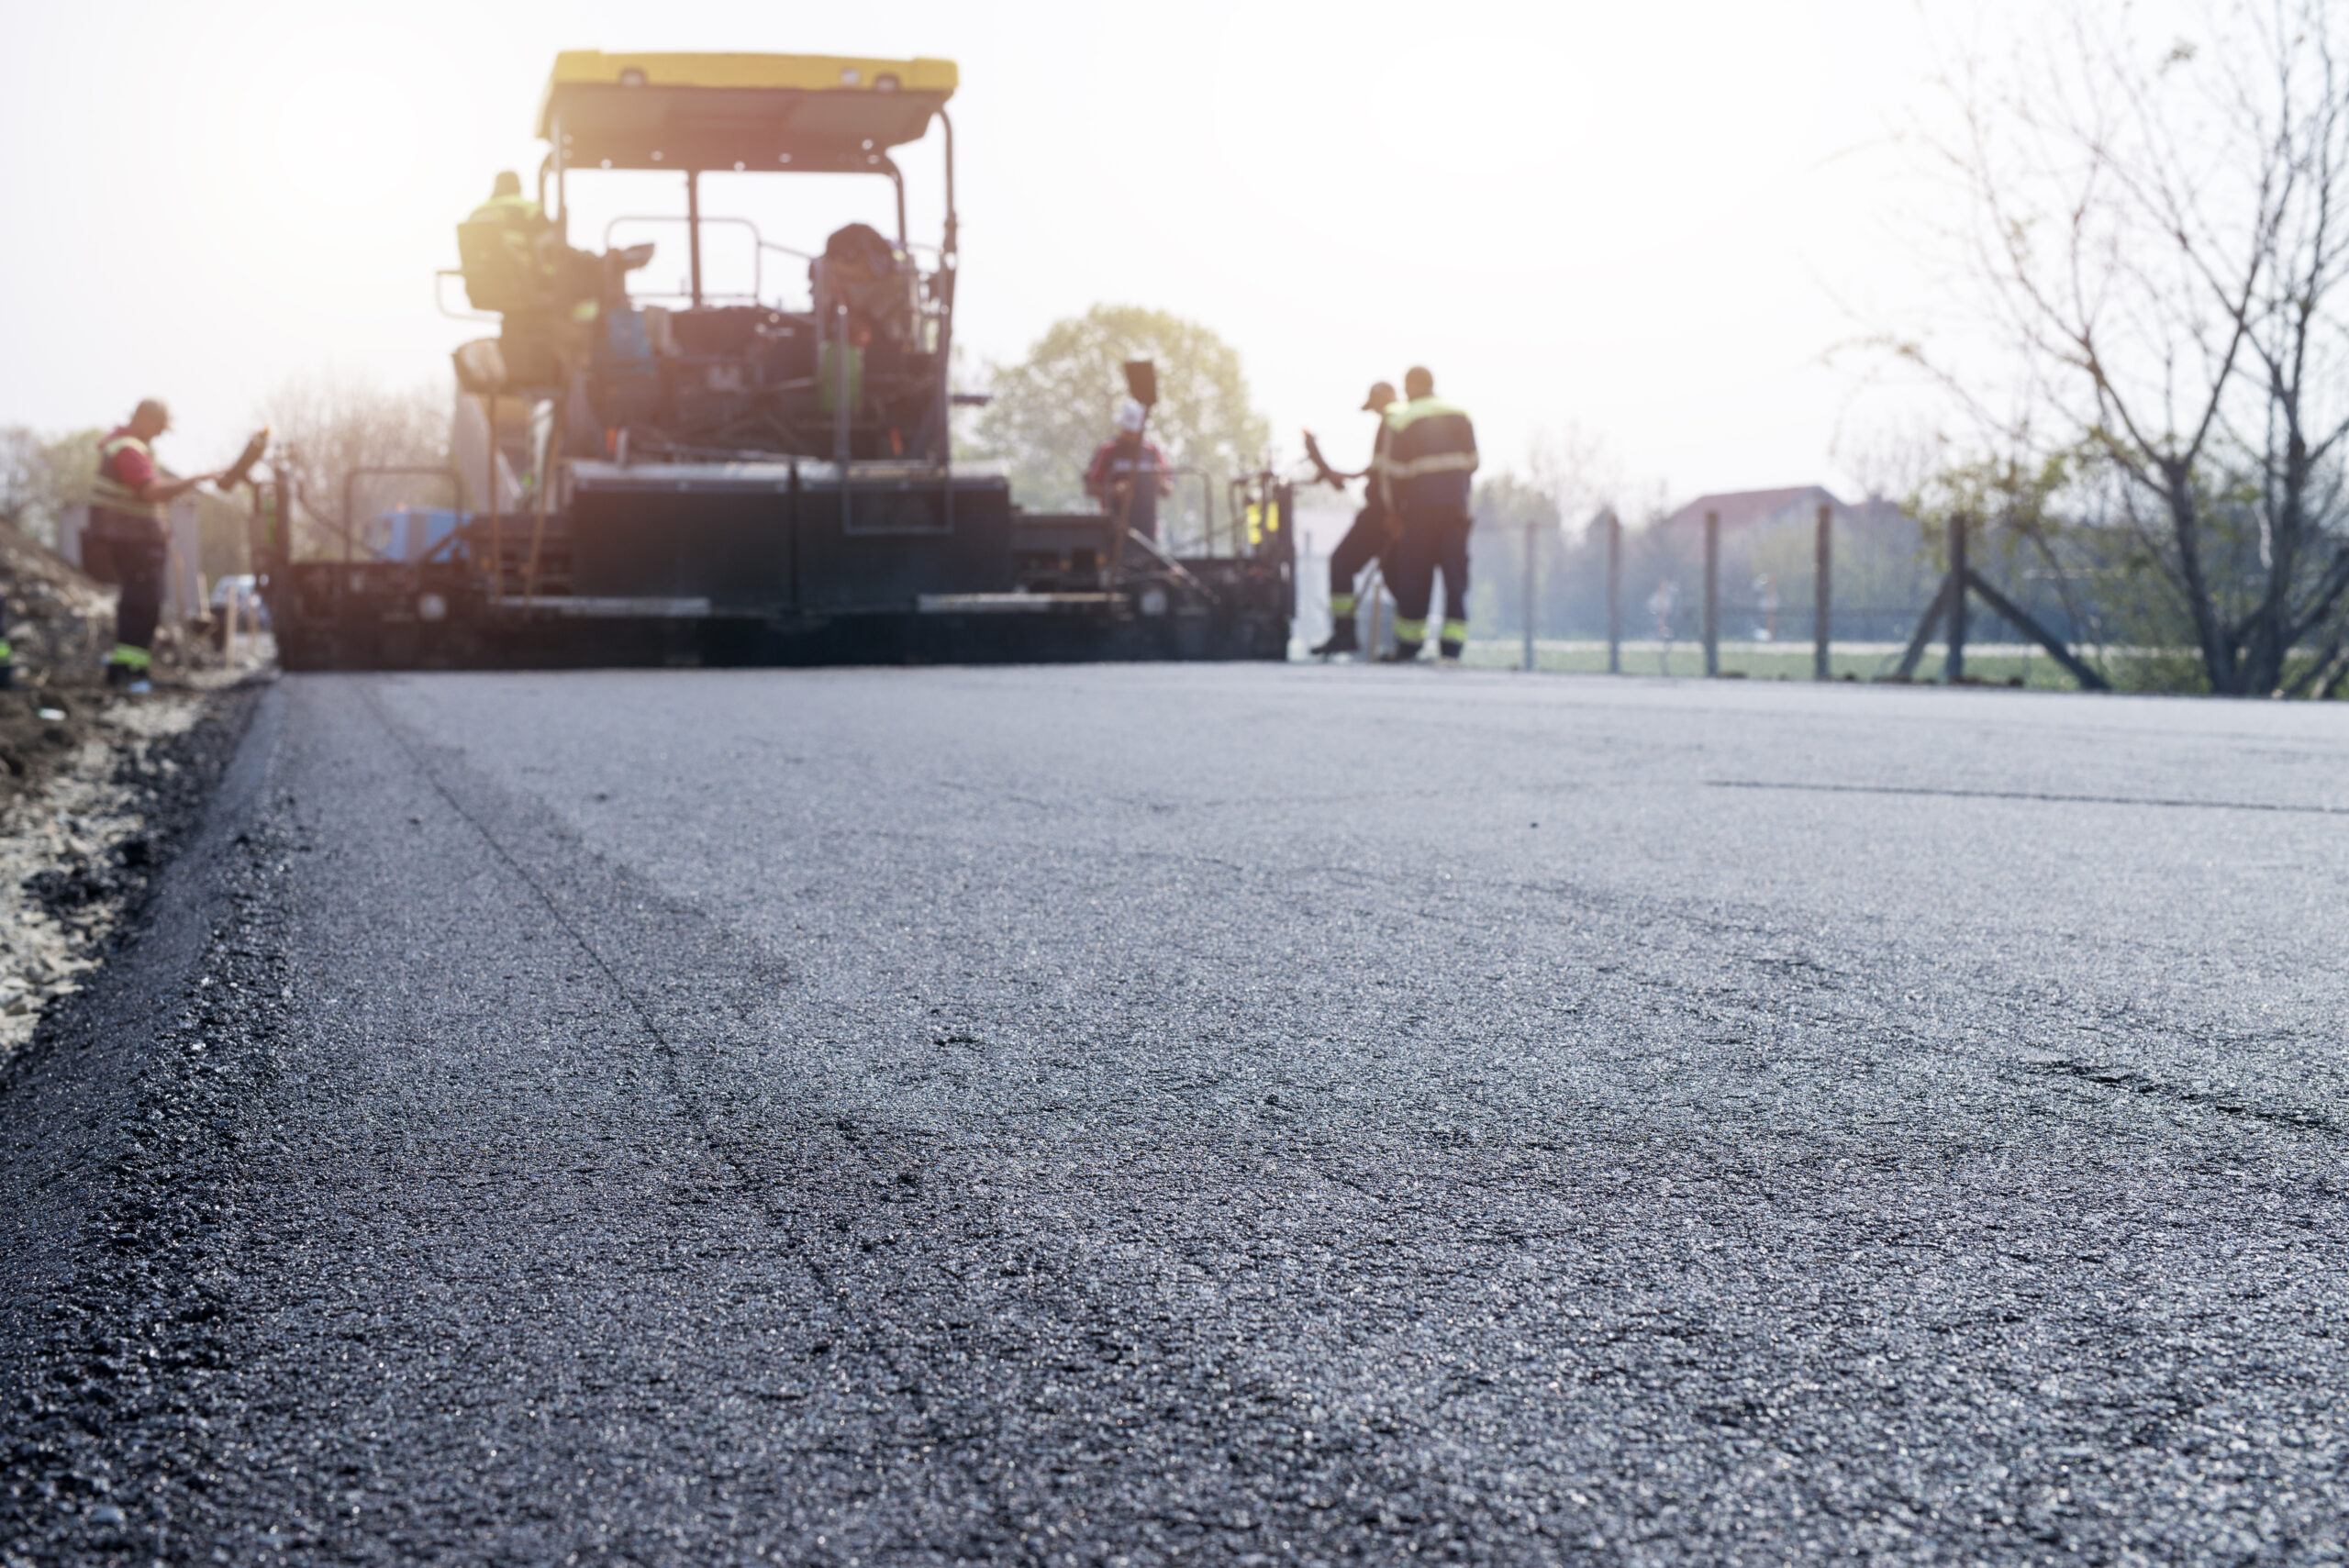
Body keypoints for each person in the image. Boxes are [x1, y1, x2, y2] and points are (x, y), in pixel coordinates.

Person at [84, 400, 218, 691]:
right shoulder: (129, 449)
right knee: (142, 605)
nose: (159, 434)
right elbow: (150, 492)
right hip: (135, 544)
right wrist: (194, 480)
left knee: (138, 603)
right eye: (159, 427)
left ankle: (127, 669)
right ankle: (131, 673)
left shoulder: (121, 445)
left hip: (133, 542)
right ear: (144, 419)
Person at [1376, 366, 1478, 662]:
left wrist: (1393, 512)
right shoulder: (1460, 414)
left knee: (1414, 580)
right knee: (1455, 580)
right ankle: (1452, 648)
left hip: (1419, 514)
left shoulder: (1401, 419)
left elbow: (1392, 474)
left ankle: (1409, 646)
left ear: (1409, 386)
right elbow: (1473, 462)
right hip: (1456, 511)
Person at [1308, 381, 1399, 658]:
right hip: (1388, 511)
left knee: (1342, 562)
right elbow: (1377, 469)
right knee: (1396, 575)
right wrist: (1345, 476)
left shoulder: (1393, 423)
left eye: (1375, 406)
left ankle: (1345, 633)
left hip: (1383, 513)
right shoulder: (1393, 424)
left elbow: (1389, 474)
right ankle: (1402, 644)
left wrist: (1392, 511)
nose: (1374, 412)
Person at [1084, 398, 1174, 543]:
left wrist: (1159, 480)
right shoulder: (1107, 450)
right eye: (1128, 431)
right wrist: (1113, 490)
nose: (1131, 435)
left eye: (1134, 432)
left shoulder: (1152, 451)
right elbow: (1090, 487)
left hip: (1147, 532)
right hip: (1113, 530)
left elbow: (1168, 489)